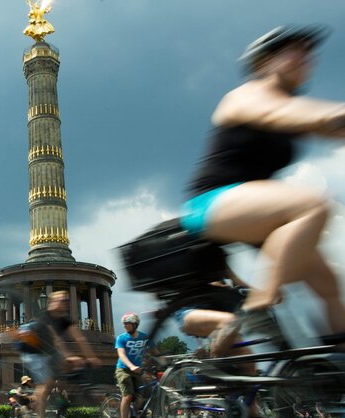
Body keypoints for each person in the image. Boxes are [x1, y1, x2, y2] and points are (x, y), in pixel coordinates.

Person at [180, 25, 345, 347]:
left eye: (308, 52)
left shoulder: (291, 104)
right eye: (294, 50)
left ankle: (333, 370)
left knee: (328, 286)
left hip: (259, 213)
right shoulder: (245, 96)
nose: (306, 57)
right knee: (313, 205)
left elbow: (329, 125)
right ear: (264, 62)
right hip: (212, 203)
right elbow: (289, 115)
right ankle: (257, 306)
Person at [18, 291, 100, 418]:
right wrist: (69, 356)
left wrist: (91, 357)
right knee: (47, 383)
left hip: (50, 351)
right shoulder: (45, 317)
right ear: (52, 302)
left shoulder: (65, 318)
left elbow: (80, 339)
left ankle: (55, 395)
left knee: (69, 368)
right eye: (62, 300)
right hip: (34, 352)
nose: (65, 303)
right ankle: (38, 412)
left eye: (67, 300)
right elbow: (56, 339)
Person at [115, 313, 162, 418]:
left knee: (139, 399)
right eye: (124, 324)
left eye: (127, 323)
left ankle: (133, 415)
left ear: (135, 324)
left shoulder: (144, 338)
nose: (125, 326)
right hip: (123, 369)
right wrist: (131, 366)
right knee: (128, 396)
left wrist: (164, 360)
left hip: (138, 371)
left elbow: (155, 352)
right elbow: (121, 355)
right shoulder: (121, 338)